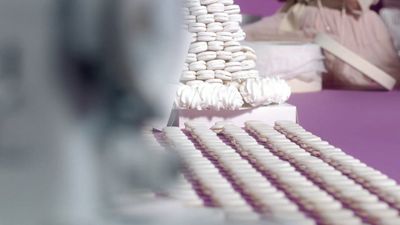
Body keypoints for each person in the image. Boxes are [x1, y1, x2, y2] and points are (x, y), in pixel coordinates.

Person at [244, 0, 400, 90]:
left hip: (347, 20)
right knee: (239, 39)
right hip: (299, 15)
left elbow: (356, 4)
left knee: (356, 74)